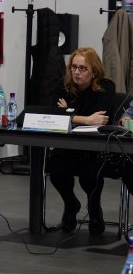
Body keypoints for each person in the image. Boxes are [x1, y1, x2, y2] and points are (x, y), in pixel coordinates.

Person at [49, 47, 114, 235]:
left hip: (95, 148)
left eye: (83, 68)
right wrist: (85, 119)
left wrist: (69, 113)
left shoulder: (105, 87)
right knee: (55, 168)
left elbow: (101, 119)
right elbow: (54, 114)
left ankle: (94, 208)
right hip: (67, 147)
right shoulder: (63, 86)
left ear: (94, 71)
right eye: (74, 67)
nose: (76, 72)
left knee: (89, 174)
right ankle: (71, 204)